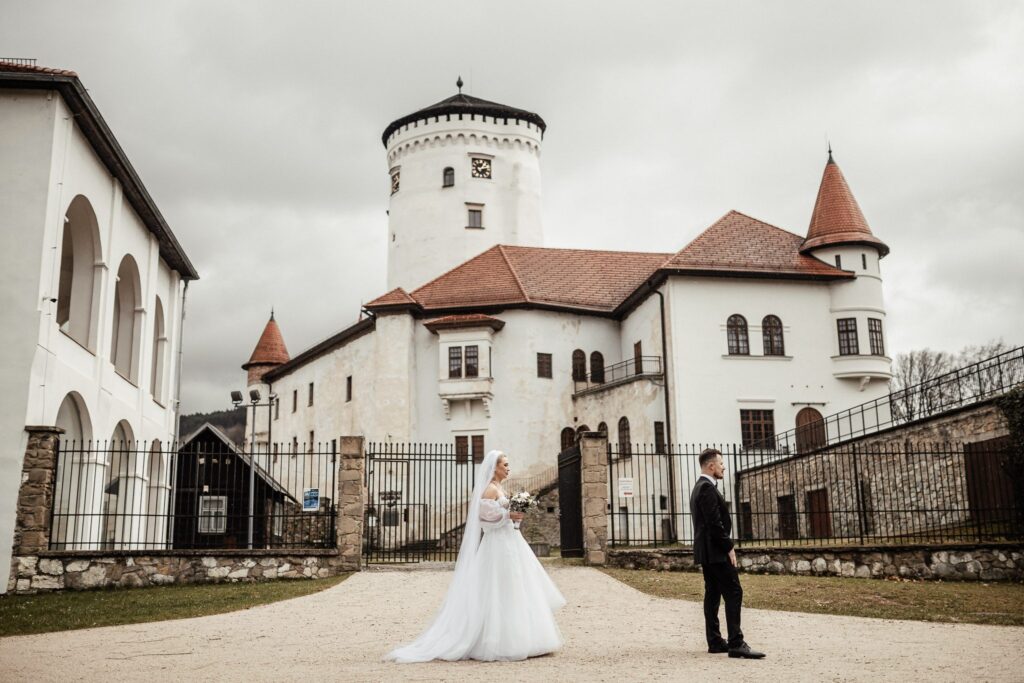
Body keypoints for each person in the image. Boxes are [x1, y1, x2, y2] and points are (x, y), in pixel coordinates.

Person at [385, 450, 565, 663]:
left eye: (508, 464)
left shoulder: (499, 488)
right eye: (505, 465)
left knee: (516, 585)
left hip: (510, 541)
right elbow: (485, 520)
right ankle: (499, 640)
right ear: (494, 468)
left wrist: (514, 515)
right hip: (498, 545)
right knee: (500, 587)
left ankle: (526, 637)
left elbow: (502, 516)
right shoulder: (489, 490)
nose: (508, 468)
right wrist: (508, 514)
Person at [690, 447, 765, 659]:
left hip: (708, 551)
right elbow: (714, 524)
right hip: (715, 551)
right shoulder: (706, 488)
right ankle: (736, 643)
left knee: (713, 594)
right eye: (721, 464)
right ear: (711, 466)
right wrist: (729, 547)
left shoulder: (701, 487)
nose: (723, 467)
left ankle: (715, 641)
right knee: (733, 592)